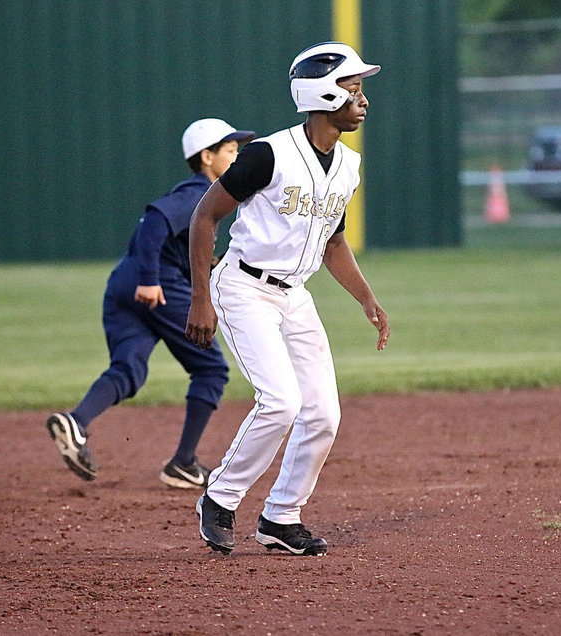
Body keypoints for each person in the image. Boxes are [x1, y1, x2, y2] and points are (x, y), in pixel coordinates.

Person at [185, 42, 390, 556]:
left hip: (294, 295)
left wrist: (367, 299)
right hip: (243, 288)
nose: (362, 100)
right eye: (352, 88)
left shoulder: (347, 164)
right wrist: (201, 298)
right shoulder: (268, 154)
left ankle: (281, 517)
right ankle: (220, 497)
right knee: (280, 402)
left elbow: (334, 241)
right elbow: (205, 217)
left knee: (323, 414)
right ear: (321, 93)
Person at [46, 118, 255, 488]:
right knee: (211, 369)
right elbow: (153, 222)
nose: (237, 157)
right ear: (207, 157)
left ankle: (76, 423)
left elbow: (186, 248)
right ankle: (184, 463)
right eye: (230, 150)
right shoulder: (198, 192)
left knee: (129, 368)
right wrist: (149, 279)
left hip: (123, 285)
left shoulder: (200, 194)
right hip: (156, 283)